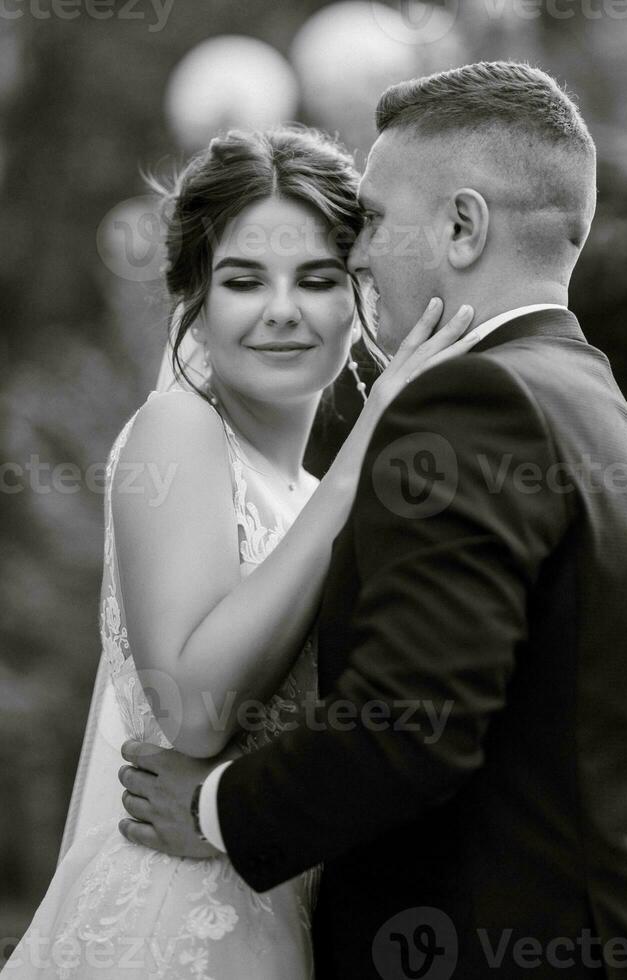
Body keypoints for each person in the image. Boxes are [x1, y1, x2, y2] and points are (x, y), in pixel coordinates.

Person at [118, 63, 627, 978]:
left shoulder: (472, 403)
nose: (360, 256)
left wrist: (215, 811)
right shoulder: (589, 396)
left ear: (461, 225)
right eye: (244, 278)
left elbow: (412, 722)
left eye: (369, 221)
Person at [4, 128, 477, 978]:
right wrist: (372, 440)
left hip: (278, 910)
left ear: (359, 295)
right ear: (192, 296)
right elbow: (192, 711)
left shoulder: (304, 491)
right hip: (171, 925)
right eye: (243, 280)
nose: (283, 309)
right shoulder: (178, 431)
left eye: (319, 278)